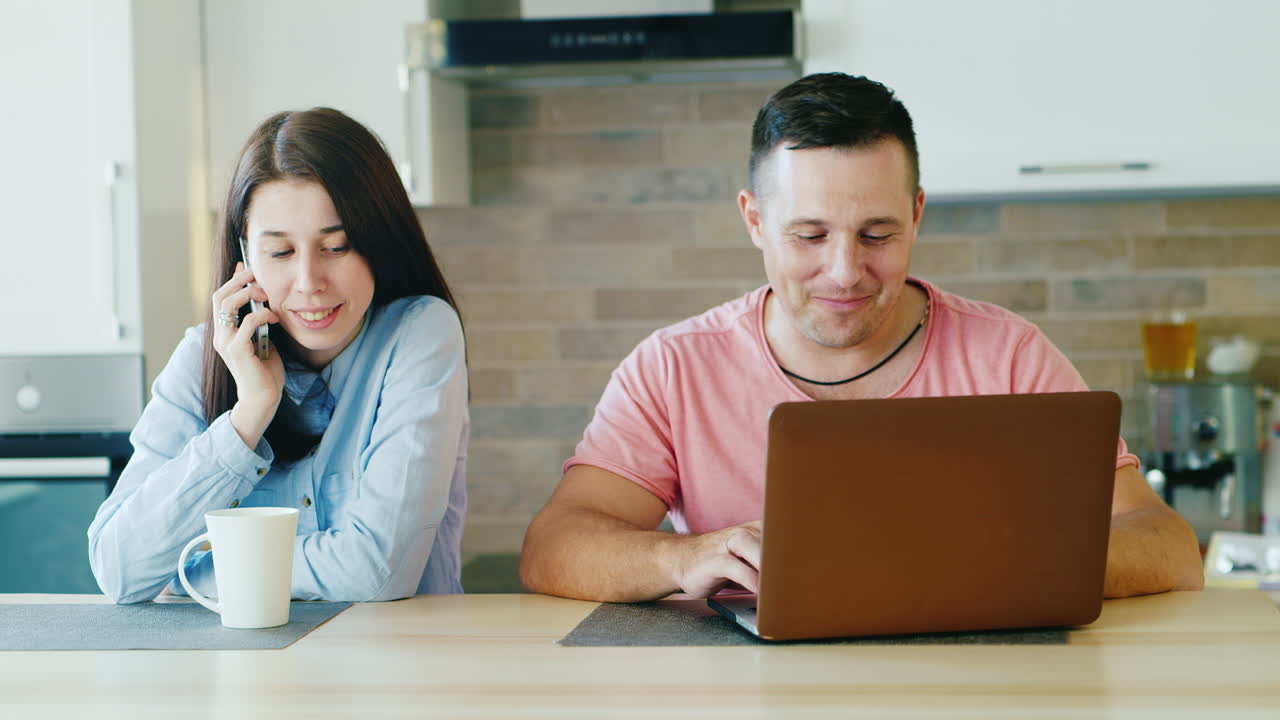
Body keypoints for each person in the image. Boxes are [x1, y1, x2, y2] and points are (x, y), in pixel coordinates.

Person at [520, 73, 1203, 603]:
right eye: (809, 235)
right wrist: (685, 557)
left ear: (917, 212)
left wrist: (1000, 560)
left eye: (878, 234)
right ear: (754, 220)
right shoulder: (673, 368)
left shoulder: (1009, 355)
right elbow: (555, 546)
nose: (845, 273)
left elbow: (1166, 546)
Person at [88, 108, 469, 603]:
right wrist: (248, 414)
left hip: (393, 667)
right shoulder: (200, 357)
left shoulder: (419, 332)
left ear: (380, 243)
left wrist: (191, 576)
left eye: (337, 246)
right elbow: (119, 569)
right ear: (244, 258)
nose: (310, 282)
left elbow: (376, 570)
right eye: (281, 253)